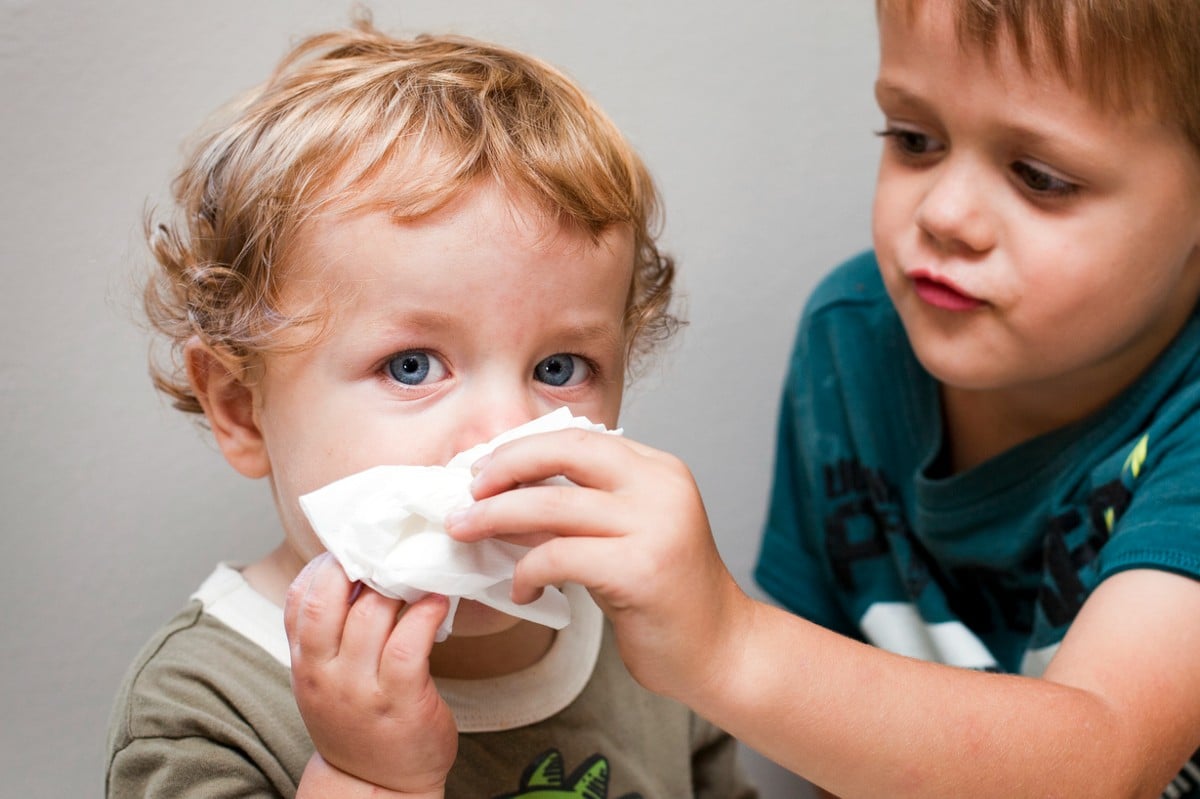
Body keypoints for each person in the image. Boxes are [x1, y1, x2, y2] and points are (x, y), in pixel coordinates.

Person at [444, 0, 1200, 796]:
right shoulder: (855, 341)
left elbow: (1106, 760)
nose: (944, 216)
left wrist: (730, 645)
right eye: (914, 140)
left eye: (1040, 178)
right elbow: (832, 733)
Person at [104, 17, 757, 799]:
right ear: (243, 408)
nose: (504, 434)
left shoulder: (647, 637)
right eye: (411, 367)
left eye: (560, 367)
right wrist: (364, 776)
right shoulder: (205, 707)